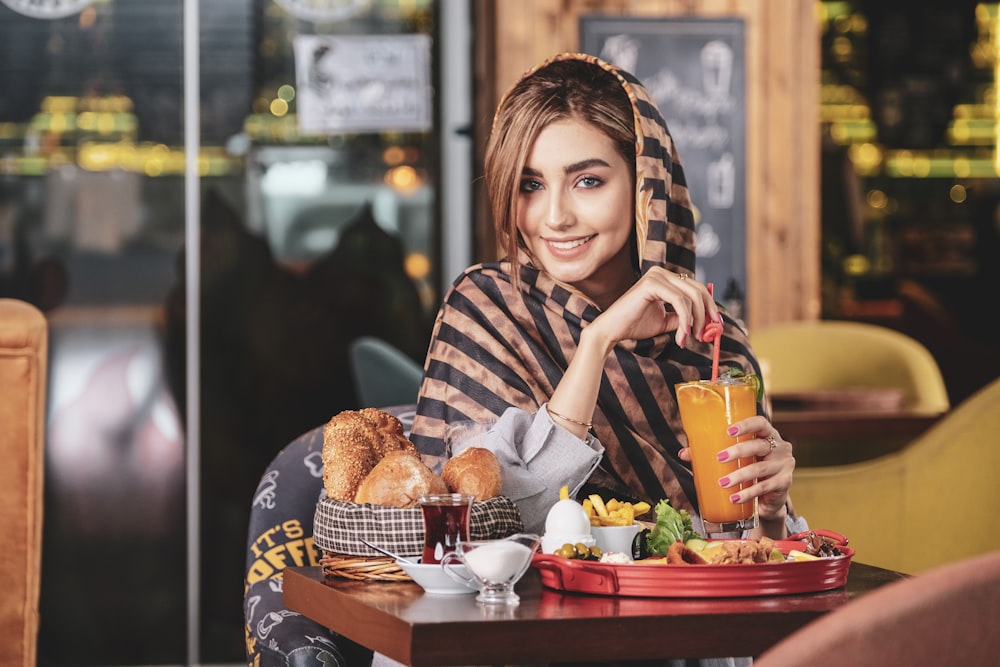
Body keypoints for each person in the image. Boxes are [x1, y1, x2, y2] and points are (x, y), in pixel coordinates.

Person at [409, 53, 805, 552]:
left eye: (587, 181)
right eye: (530, 185)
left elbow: (747, 556)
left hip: (689, 618)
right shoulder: (487, 310)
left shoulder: (713, 343)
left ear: (646, 188)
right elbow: (499, 522)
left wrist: (770, 515)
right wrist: (597, 341)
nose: (554, 216)